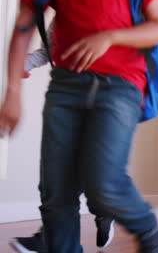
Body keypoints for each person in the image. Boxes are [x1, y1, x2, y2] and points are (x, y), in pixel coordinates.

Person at [0, 0, 158, 252]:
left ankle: (147, 227)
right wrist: (12, 91)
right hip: (65, 87)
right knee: (56, 193)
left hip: (120, 86)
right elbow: (24, 25)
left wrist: (110, 37)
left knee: (105, 185)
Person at [10, 20, 116, 252]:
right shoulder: (60, 16)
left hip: (105, 97)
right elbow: (45, 51)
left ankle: (104, 209)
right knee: (59, 171)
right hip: (67, 98)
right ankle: (51, 236)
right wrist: (21, 63)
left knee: (89, 167)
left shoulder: (109, 6)